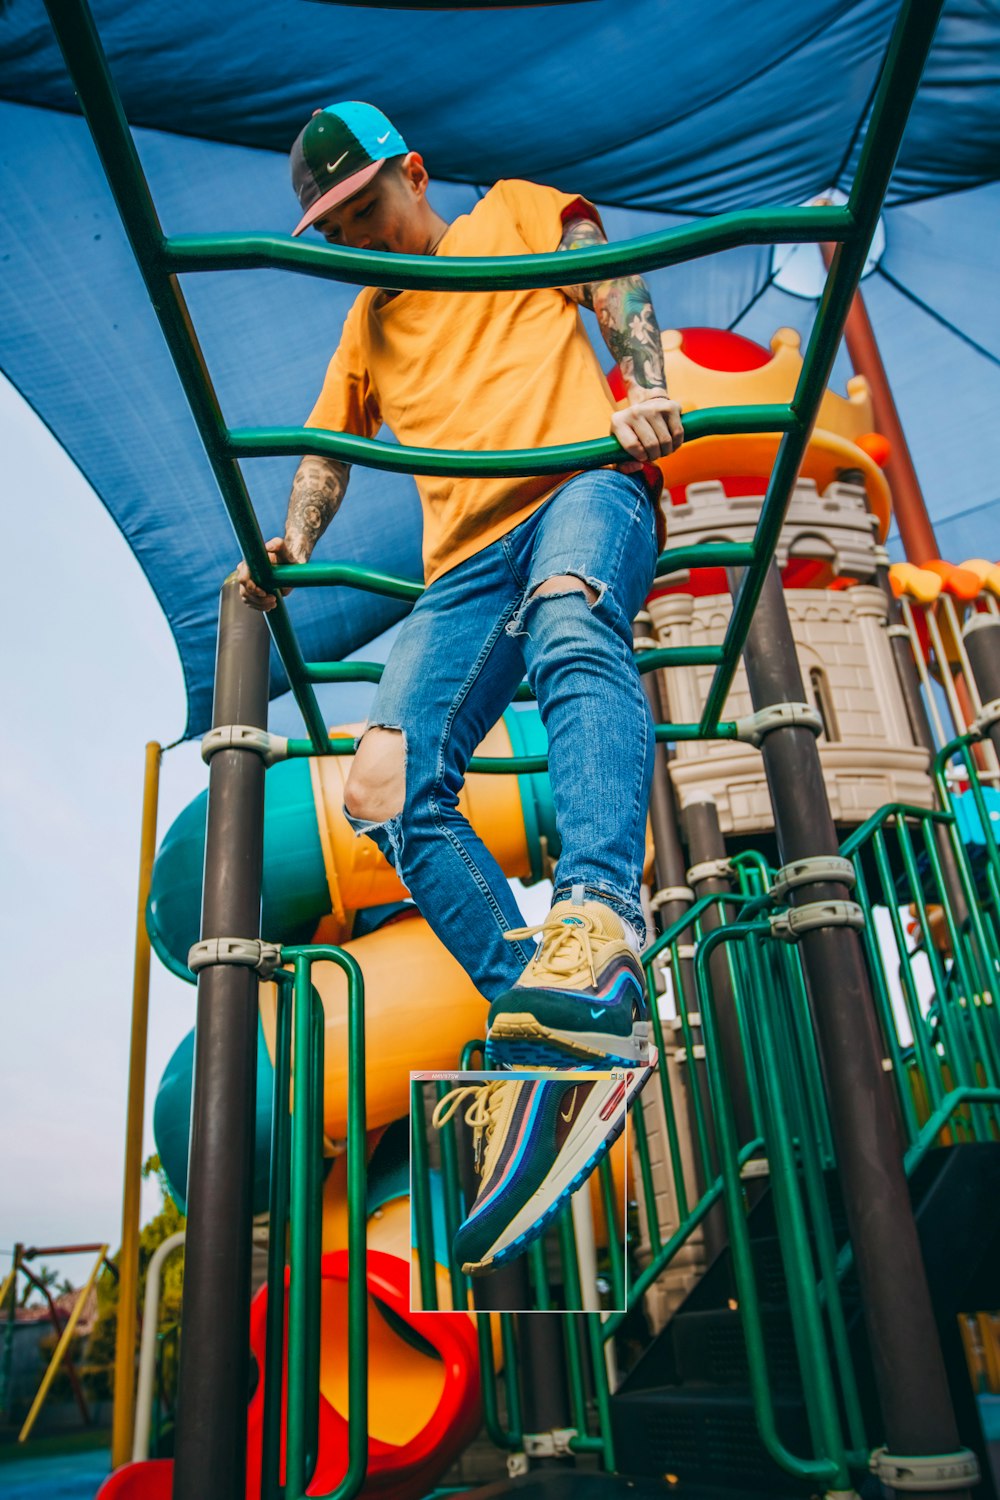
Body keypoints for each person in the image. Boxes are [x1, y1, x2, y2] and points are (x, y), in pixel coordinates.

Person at [238, 102, 683, 1075]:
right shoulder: (369, 322)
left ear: (417, 172)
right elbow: (324, 451)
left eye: (364, 204)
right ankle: (537, 997)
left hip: (578, 486)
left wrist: (641, 381)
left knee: (570, 622)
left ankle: (597, 921)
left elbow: (606, 275)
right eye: (336, 223)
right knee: (379, 789)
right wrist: (294, 538)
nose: (354, 234)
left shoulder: (511, 216)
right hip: (464, 568)